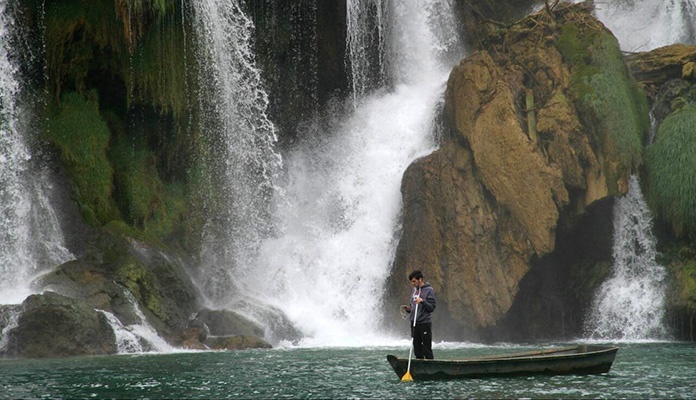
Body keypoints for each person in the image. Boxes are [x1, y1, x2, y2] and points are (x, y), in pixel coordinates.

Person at [404, 269, 436, 359]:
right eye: (412, 282)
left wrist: (422, 301)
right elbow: (413, 305)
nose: (413, 284)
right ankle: (419, 365)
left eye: (414, 281)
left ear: (420, 279)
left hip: (424, 323)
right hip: (414, 322)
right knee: (417, 347)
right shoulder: (414, 290)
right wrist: (410, 309)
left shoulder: (429, 290)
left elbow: (432, 307)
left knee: (426, 348)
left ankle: (430, 366)